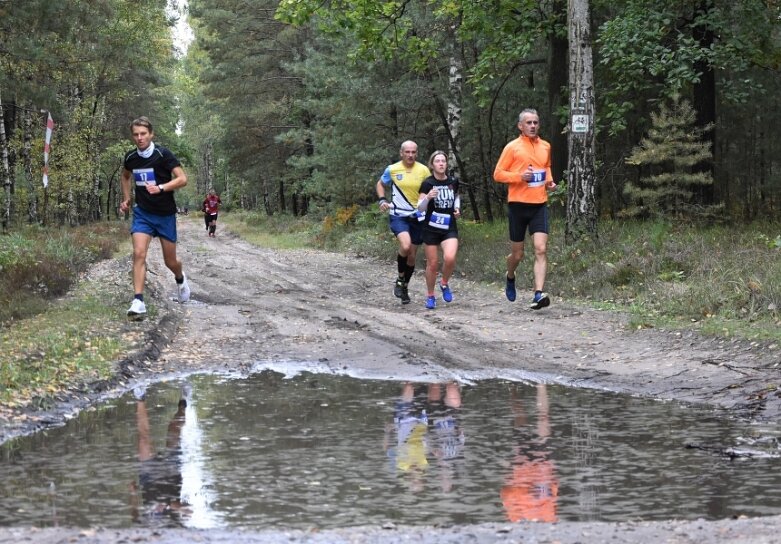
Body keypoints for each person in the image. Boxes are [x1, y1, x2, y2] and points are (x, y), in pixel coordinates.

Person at [120, 117, 190, 319]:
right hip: (143, 213)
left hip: (165, 214)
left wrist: (161, 187)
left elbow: (182, 179)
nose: (139, 138)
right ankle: (138, 301)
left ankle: (180, 278)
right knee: (139, 253)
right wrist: (126, 198)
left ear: (151, 134)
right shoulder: (131, 157)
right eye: (136, 134)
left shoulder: (162, 155)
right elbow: (125, 176)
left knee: (171, 262)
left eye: (143, 134)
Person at [493, 108, 557, 310]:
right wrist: (519, 177)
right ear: (520, 126)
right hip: (518, 205)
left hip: (539, 204)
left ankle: (538, 294)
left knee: (541, 249)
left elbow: (546, 167)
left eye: (535, 122)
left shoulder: (545, 146)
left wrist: (550, 182)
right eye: (528, 123)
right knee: (518, 254)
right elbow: (498, 174)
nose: (533, 126)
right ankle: (510, 275)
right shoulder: (512, 147)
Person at [376, 140, 432, 305]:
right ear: (401, 153)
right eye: (407, 152)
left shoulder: (423, 170)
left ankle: (404, 287)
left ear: (417, 153)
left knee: (412, 257)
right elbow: (380, 184)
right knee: (406, 246)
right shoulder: (392, 169)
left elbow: (430, 189)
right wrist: (381, 200)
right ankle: (400, 279)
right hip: (398, 215)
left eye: (413, 152)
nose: (410, 155)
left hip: (417, 217)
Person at [130, 385, 192, 525]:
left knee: (143, 440)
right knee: (173, 429)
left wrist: (133, 494)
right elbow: (189, 512)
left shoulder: (144, 533)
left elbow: (135, 517)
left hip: (149, 480)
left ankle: (140, 397)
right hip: (172, 476)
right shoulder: (175, 528)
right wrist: (169, 505)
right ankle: (183, 402)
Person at [500, 384, 558, 522]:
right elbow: (553, 495)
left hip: (522, 465)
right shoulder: (550, 522)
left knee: (521, 420)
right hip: (543, 469)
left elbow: (505, 493)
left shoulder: (516, 520)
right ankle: (540, 385)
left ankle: (513, 388)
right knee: (543, 419)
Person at [417, 150, 460, 310]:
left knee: (450, 258)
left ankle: (444, 283)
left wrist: (457, 209)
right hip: (431, 228)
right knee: (433, 264)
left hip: (449, 226)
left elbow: (456, 197)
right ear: (432, 165)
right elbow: (420, 209)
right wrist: (428, 197)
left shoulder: (453, 181)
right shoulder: (427, 183)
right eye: (438, 161)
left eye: (443, 161)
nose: (441, 164)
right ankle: (430, 295)